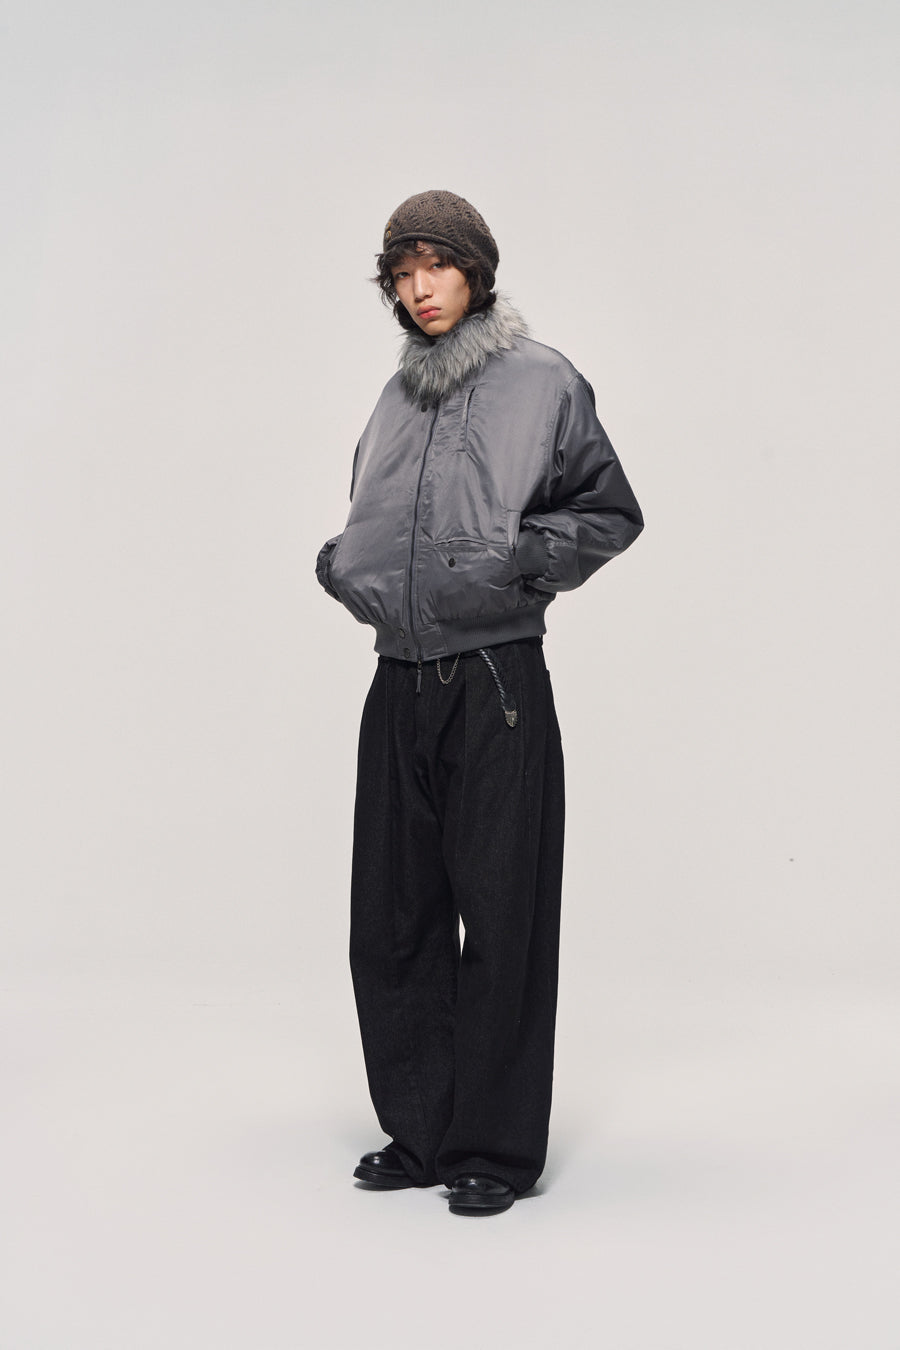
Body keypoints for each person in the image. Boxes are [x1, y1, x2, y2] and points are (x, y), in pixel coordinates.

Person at [316, 190, 643, 1216]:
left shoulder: (543, 381)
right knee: (392, 918)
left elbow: (609, 511)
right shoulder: (394, 397)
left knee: (502, 917)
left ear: (475, 271)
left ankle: (492, 1151)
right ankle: (421, 1131)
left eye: (436, 266)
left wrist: (516, 562)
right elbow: (375, 521)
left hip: (496, 678)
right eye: (401, 273)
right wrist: (340, 566)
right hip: (399, 678)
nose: (418, 289)